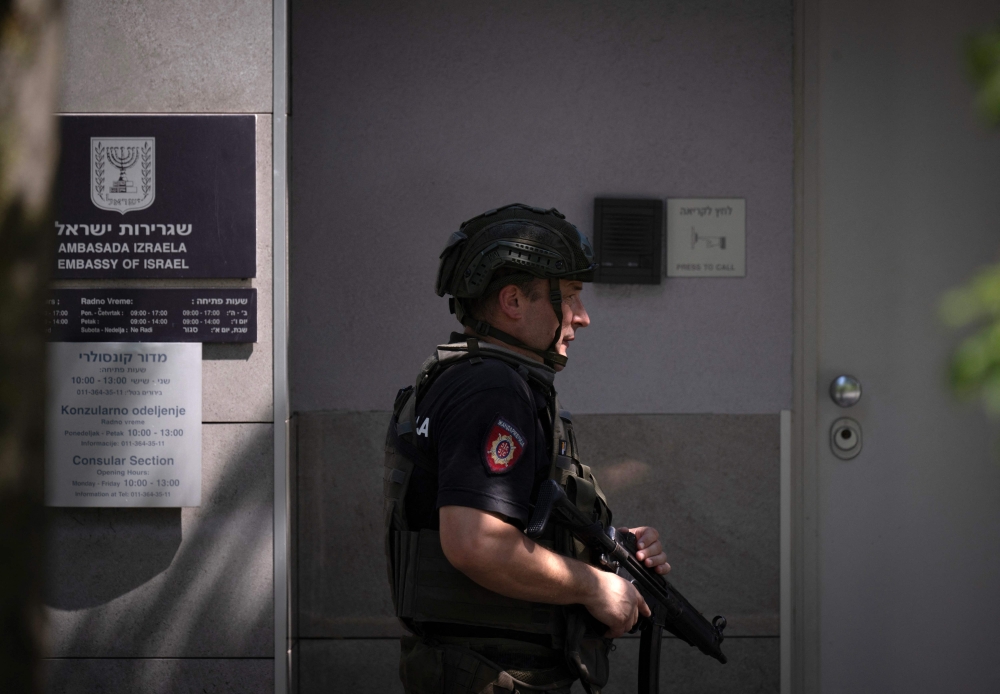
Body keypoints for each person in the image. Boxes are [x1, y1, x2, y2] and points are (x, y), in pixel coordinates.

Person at [383, 204, 671, 694]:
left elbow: (514, 522)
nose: (582, 318)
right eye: (572, 296)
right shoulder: (493, 389)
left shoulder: (476, 380)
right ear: (513, 301)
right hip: (490, 674)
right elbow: (478, 542)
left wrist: (608, 547)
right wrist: (594, 586)